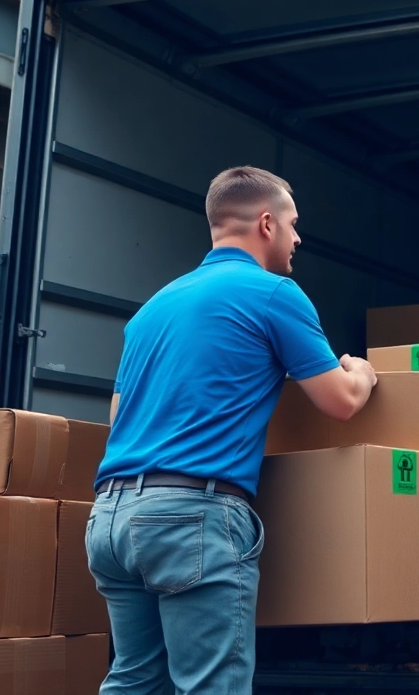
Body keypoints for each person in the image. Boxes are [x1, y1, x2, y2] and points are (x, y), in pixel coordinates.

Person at [86, 166, 378, 693]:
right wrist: (362, 371)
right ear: (266, 223)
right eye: (293, 224)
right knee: (212, 685)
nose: (298, 238)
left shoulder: (152, 308)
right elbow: (340, 402)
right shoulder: (274, 293)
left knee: (134, 680)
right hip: (191, 519)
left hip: (111, 518)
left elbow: (118, 418)